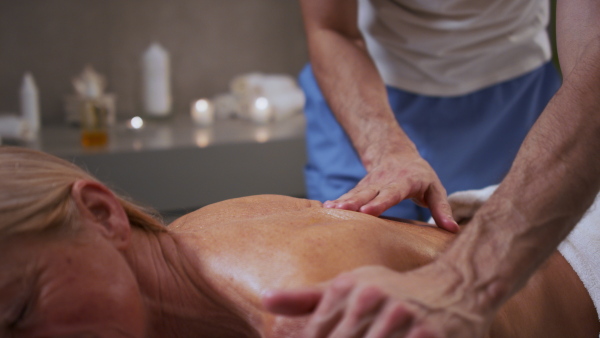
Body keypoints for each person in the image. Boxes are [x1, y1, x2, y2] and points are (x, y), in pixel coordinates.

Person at [1, 147, 598, 338]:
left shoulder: (292, 298)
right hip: (513, 212)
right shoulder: (186, 247)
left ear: (103, 215)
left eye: (21, 310)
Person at [262, 0, 600, 336]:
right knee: (337, 284)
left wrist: (464, 281)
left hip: (510, 97)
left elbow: (593, 59)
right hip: (363, 86)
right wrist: (384, 149)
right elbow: (329, 27)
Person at [299, 0, 562, 226]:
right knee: (351, 252)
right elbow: (330, 28)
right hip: (359, 90)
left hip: (513, 102)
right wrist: (384, 150)